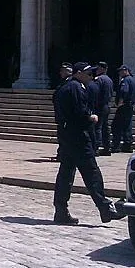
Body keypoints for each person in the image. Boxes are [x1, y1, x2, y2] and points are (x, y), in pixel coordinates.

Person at [52, 62, 125, 225]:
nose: (91, 77)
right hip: (78, 136)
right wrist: (90, 117)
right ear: (78, 73)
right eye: (88, 73)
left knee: (65, 174)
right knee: (91, 172)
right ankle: (106, 209)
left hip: (66, 135)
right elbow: (79, 112)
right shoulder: (76, 88)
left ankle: (60, 210)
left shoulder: (63, 87)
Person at [113, 65, 135, 153]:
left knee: (116, 126)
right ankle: (128, 145)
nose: (120, 73)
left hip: (124, 106)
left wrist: (120, 103)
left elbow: (124, 91)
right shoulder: (133, 80)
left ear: (126, 71)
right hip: (130, 106)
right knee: (127, 126)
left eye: (121, 71)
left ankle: (116, 146)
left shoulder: (126, 80)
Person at [51, 63, 74, 162]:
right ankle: (62, 153)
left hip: (65, 116)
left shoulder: (70, 83)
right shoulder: (64, 82)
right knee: (62, 136)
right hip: (61, 115)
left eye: (62, 71)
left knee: (64, 137)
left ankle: (63, 154)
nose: (60, 73)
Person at [94, 62, 115, 156]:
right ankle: (107, 147)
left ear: (103, 69)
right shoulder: (109, 80)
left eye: (98, 68)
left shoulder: (99, 79)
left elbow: (96, 92)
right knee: (105, 127)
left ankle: (96, 148)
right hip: (107, 105)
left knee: (97, 127)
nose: (97, 70)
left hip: (100, 106)